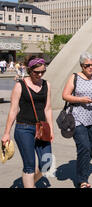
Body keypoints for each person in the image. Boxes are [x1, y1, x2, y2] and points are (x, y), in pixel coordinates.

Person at [1, 56, 53, 188]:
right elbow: (13, 111)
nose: (40, 75)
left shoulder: (47, 85)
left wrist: (51, 129)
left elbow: (48, 109)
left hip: (42, 129)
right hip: (24, 129)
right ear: (30, 70)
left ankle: (29, 183)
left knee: (46, 164)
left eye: (43, 72)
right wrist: (6, 133)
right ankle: (29, 184)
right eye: (37, 72)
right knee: (29, 166)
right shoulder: (20, 86)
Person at [61, 52, 92, 188]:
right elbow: (65, 96)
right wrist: (81, 99)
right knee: (84, 147)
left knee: (89, 149)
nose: (91, 67)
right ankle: (82, 180)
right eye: (88, 65)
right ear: (82, 66)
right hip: (77, 117)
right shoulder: (74, 77)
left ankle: (83, 170)